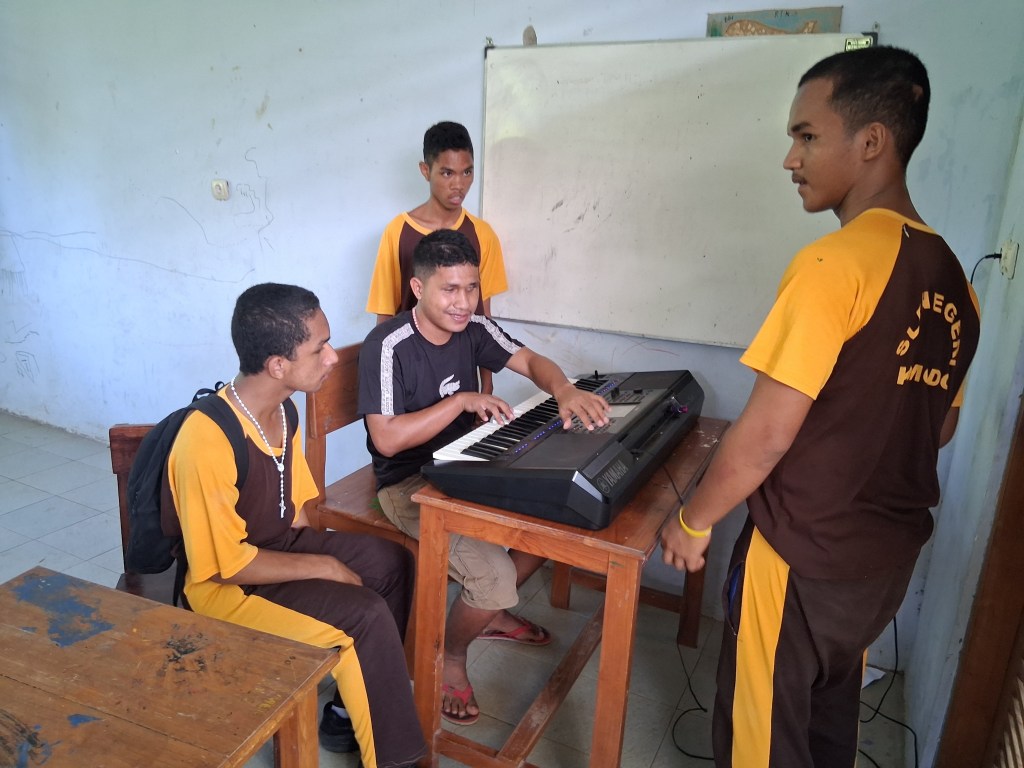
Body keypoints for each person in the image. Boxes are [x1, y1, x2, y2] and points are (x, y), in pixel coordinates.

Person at [660, 46, 981, 768]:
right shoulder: (955, 283)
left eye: (807, 136)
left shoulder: (833, 265)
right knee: (829, 720)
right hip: (880, 563)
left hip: (801, 553)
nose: (790, 158)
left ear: (871, 142)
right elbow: (941, 425)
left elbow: (766, 435)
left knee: (762, 740)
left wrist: (692, 522)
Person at [358, 229, 611, 726]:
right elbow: (385, 440)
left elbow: (530, 360)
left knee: (554, 518)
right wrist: (459, 402)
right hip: (409, 483)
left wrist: (562, 389)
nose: (463, 302)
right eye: (449, 289)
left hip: (468, 462)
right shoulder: (388, 345)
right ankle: (452, 654)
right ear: (418, 288)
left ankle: (489, 611)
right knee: (495, 577)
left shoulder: (474, 327)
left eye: (471, 287)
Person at [167, 283, 425, 768]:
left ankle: (349, 708)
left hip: (278, 547)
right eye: (319, 348)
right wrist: (323, 568)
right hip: (228, 587)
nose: (332, 357)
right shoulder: (207, 440)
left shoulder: (284, 409)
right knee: (363, 616)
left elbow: (297, 507)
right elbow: (224, 567)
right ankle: (397, 760)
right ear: (277, 365)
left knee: (391, 562)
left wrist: (321, 557)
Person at [365, 120, 508, 394]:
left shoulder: (483, 234)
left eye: (467, 172)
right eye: (447, 173)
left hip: (462, 375)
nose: (459, 184)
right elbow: (385, 317)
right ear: (425, 170)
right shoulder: (398, 232)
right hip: (411, 373)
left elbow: (484, 317)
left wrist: (487, 384)